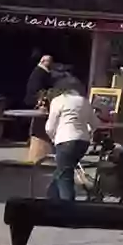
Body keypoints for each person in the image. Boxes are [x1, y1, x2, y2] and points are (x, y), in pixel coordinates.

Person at [44, 72, 95, 201]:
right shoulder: (84, 101)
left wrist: (53, 138)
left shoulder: (58, 101)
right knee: (62, 170)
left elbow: (49, 127)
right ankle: (50, 200)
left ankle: (68, 209)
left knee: (65, 176)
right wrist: (88, 131)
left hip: (65, 140)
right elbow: (95, 123)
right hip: (83, 142)